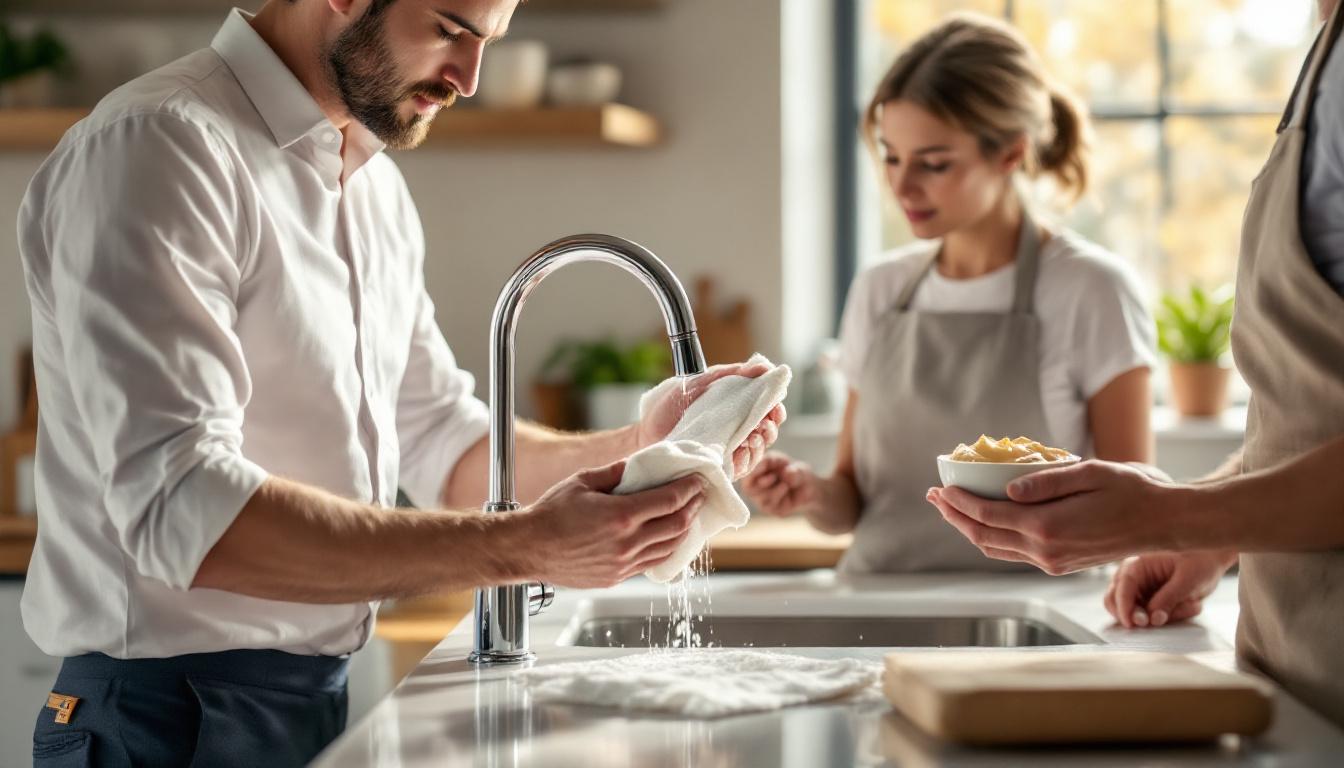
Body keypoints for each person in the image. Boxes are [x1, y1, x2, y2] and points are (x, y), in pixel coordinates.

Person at [17, 1, 784, 764]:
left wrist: (641, 446)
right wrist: (523, 547)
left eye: (487, 42)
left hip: (308, 702)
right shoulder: (161, 146)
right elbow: (184, 509)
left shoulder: (370, 184)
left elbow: (442, 439)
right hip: (160, 719)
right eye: (450, 29)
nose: (470, 78)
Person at [928, 0, 1344, 727]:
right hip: (1296, 674)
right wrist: (1214, 534)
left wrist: (1177, 517)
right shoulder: (1325, 52)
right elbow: (1313, 411)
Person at [741, 14, 1153, 573]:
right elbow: (852, 504)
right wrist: (811, 494)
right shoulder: (881, 290)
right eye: (891, 156)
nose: (902, 186)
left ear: (1010, 154)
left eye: (933, 164)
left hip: (1037, 612)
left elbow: (1133, 516)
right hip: (878, 605)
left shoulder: (1091, 290)